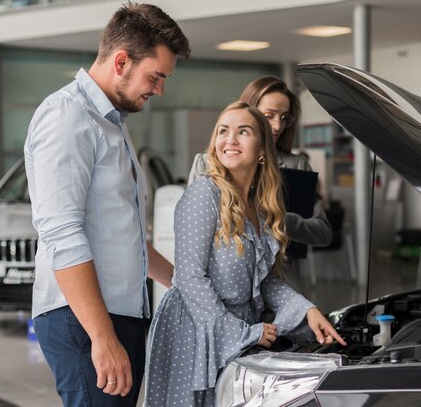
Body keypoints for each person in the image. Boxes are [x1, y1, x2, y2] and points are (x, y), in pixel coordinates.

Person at [24, 2, 190, 407]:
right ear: (121, 61)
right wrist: (102, 336)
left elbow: (125, 236)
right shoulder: (68, 116)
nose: (159, 89)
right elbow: (62, 233)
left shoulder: (110, 123)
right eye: (156, 76)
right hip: (86, 319)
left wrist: (184, 284)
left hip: (116, 316)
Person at [145, 101, 346, 407]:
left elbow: (265, 282)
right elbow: (189, 278)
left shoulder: (261, 207)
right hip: (197, 327)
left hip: (240, 326)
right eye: (223, 131)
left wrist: (308, 310)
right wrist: (240, 333)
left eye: (243, 132)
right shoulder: (204, 194)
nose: (230, 139)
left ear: (263, 148)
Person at [189, 76, 333, 292]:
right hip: (226, 289)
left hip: (283, 286)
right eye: (269, 116)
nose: (277, 126)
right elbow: (194, 241)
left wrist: (278, 220)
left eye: (285, 118)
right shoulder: (207, 165)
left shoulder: (297, 165)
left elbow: (323, 233)